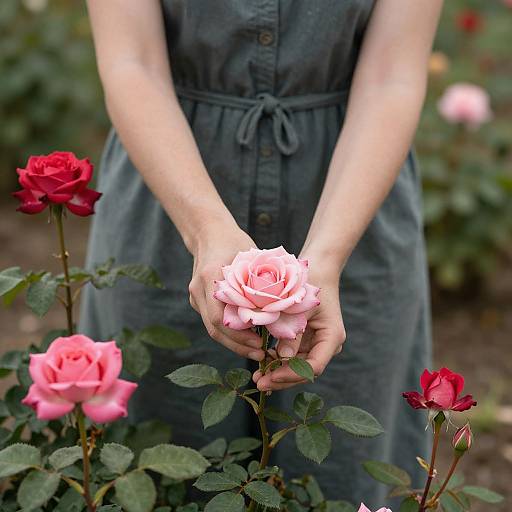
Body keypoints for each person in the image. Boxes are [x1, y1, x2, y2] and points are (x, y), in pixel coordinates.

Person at [81, 0, 443, 507]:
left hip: (353, 195)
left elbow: (392, 76)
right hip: (169, 189)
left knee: (341, 472)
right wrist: (206, 230)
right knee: (168, 458)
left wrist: (327, 258)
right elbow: (130, 60)